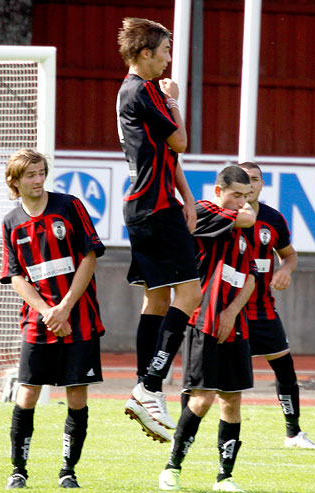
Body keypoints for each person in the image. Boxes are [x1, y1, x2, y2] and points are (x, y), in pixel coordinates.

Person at [116, 17, 202, 443]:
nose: (169, 59)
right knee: (191, 295)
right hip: (155, 207)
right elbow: (181, 141)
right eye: (165, 51)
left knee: (157, 298)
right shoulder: (144, 91)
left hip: (146, 204)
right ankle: (149, 386)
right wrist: (176, 102)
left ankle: (145, 388)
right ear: (145, 53)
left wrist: (187, 197)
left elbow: (168, 156)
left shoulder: (134, 91)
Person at [0, 149, 106, 489]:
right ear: (14, 181)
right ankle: (18, 470)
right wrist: (47, 311)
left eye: (41, 172)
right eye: (30, 175)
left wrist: (65, 307)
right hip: (39, 321)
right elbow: (16, 276)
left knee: (77, 395)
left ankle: (68, 471)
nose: (38, 180)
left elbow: (89, 258)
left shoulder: (69, 206)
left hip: (80, 318)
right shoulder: (11, 222)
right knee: (27, 393)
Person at [159, 166, 257, 493]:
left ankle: (224, 477)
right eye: (235, 195)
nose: (243, 202)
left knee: (231, 400)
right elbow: (244, 219)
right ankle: (172, 468)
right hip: (203, 318)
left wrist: (232, 311)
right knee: (202, 398)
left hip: (234, 322)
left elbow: (251, 275)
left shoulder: (244, 225)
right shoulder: (203, 211)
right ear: (218, 191)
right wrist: (244, 214)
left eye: (246, 196)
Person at [239, 161, 315, 449]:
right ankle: (187, 432)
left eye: (255, 179)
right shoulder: (221, 217)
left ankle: (293, 433)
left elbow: (290, 255)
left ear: (261, 184)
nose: (250, 185)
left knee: (285, 370)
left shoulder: (273, 219)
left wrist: (285, 269)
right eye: (244, 179)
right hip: (227, 312)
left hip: (262, 311)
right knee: (208, 377)